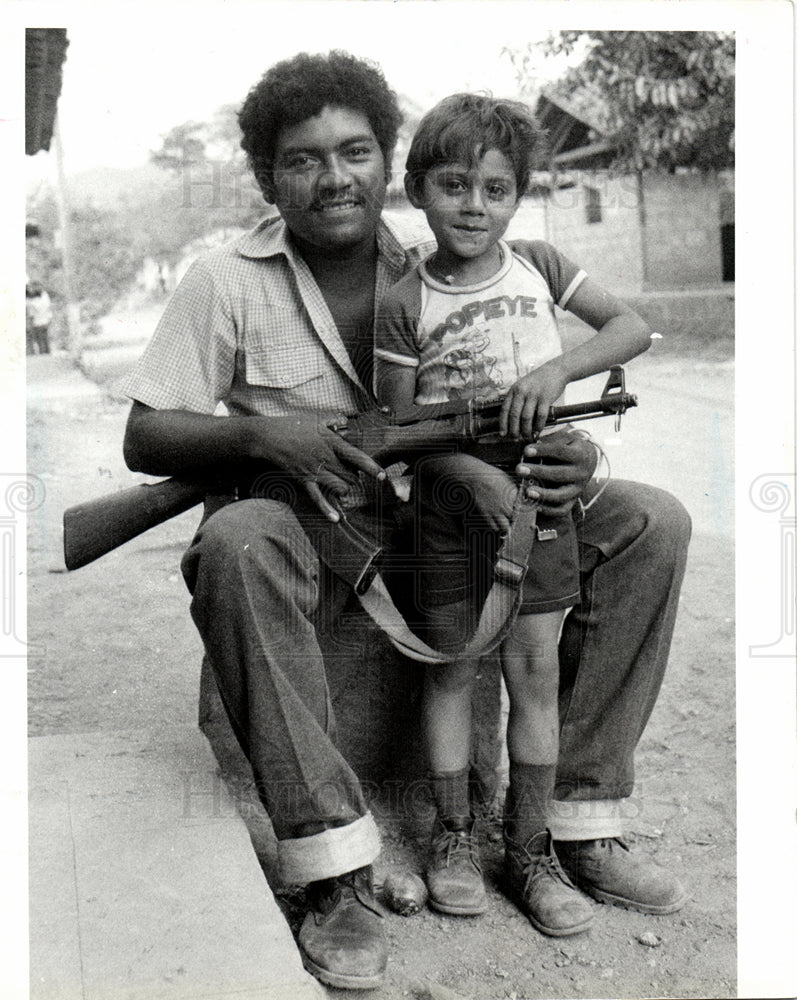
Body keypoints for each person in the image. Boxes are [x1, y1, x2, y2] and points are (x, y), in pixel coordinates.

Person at [121, 51, 691, 991]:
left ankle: (571, 826)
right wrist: (269, 437)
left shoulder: (449, 246)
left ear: (390, 165)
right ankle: (332, 871)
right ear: (267, 176)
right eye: (302, 159)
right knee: (232, 540)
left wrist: (569, 453)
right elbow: (146, 436)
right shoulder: (222, 280)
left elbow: (545, 373)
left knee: (651, 521)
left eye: (355, 153)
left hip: (463, 517)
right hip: (323, 526)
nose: (334, 176)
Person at [374, 92, 656, 936]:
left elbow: (631, 327)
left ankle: (527, 851)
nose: (474, 205)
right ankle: (455, 839)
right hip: (443, 502)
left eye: (495, 189)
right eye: (453, 185)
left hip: (540, 490)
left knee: (535, 670)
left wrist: (557, 373)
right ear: (419, 190)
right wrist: (467, 475)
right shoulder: (401, 300)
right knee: (452, 667)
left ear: (518, 196)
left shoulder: (536, 262)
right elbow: (396, 430)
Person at [26, 282, 53, 354]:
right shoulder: (44, 296)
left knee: (41, 340)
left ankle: (44, 354)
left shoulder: (32, 301)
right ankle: (47, 354)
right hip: (44, 320)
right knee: (44, 339)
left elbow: (32, 311)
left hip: (38, 322)